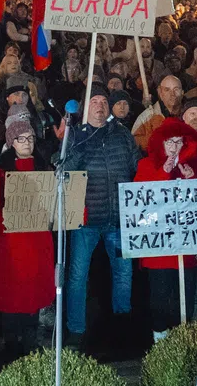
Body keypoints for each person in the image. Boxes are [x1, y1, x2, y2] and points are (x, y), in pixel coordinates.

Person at [59, 86, 142, 350]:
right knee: (77, 276)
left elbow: (137, 167)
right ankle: (76, 329)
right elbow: (63, 169)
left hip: (119, 218)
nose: (99, 105)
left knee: (123, 273)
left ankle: (122, 325)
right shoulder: (75, 136)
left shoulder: (122, 135)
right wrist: (80, 143)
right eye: (94, 101)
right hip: (86, 219)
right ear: (86, 108)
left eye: (103, 101)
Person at [0, 116, 55, 353]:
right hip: (11, 244)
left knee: (33, 293)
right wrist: (3, 222)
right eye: (21, 139)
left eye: (30, 138)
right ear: (11, 142)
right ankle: (12, 345)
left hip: (37, 242)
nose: (27, 143)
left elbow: (54, 202)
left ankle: (31, 342)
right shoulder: (0, 171)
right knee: (13, 295)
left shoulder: (45, 167)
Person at [133, 118, 197, 337]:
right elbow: (139, 200)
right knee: (160, 301)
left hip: (186, 249)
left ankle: (182, 344)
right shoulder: (146, 165)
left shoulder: (192, 168)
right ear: (161, 144)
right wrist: (164, 173)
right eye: (170, 142)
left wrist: (192, 180)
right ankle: (161, 347)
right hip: (159, 251)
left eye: (179, 142)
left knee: (185, 301)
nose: (174, 147)